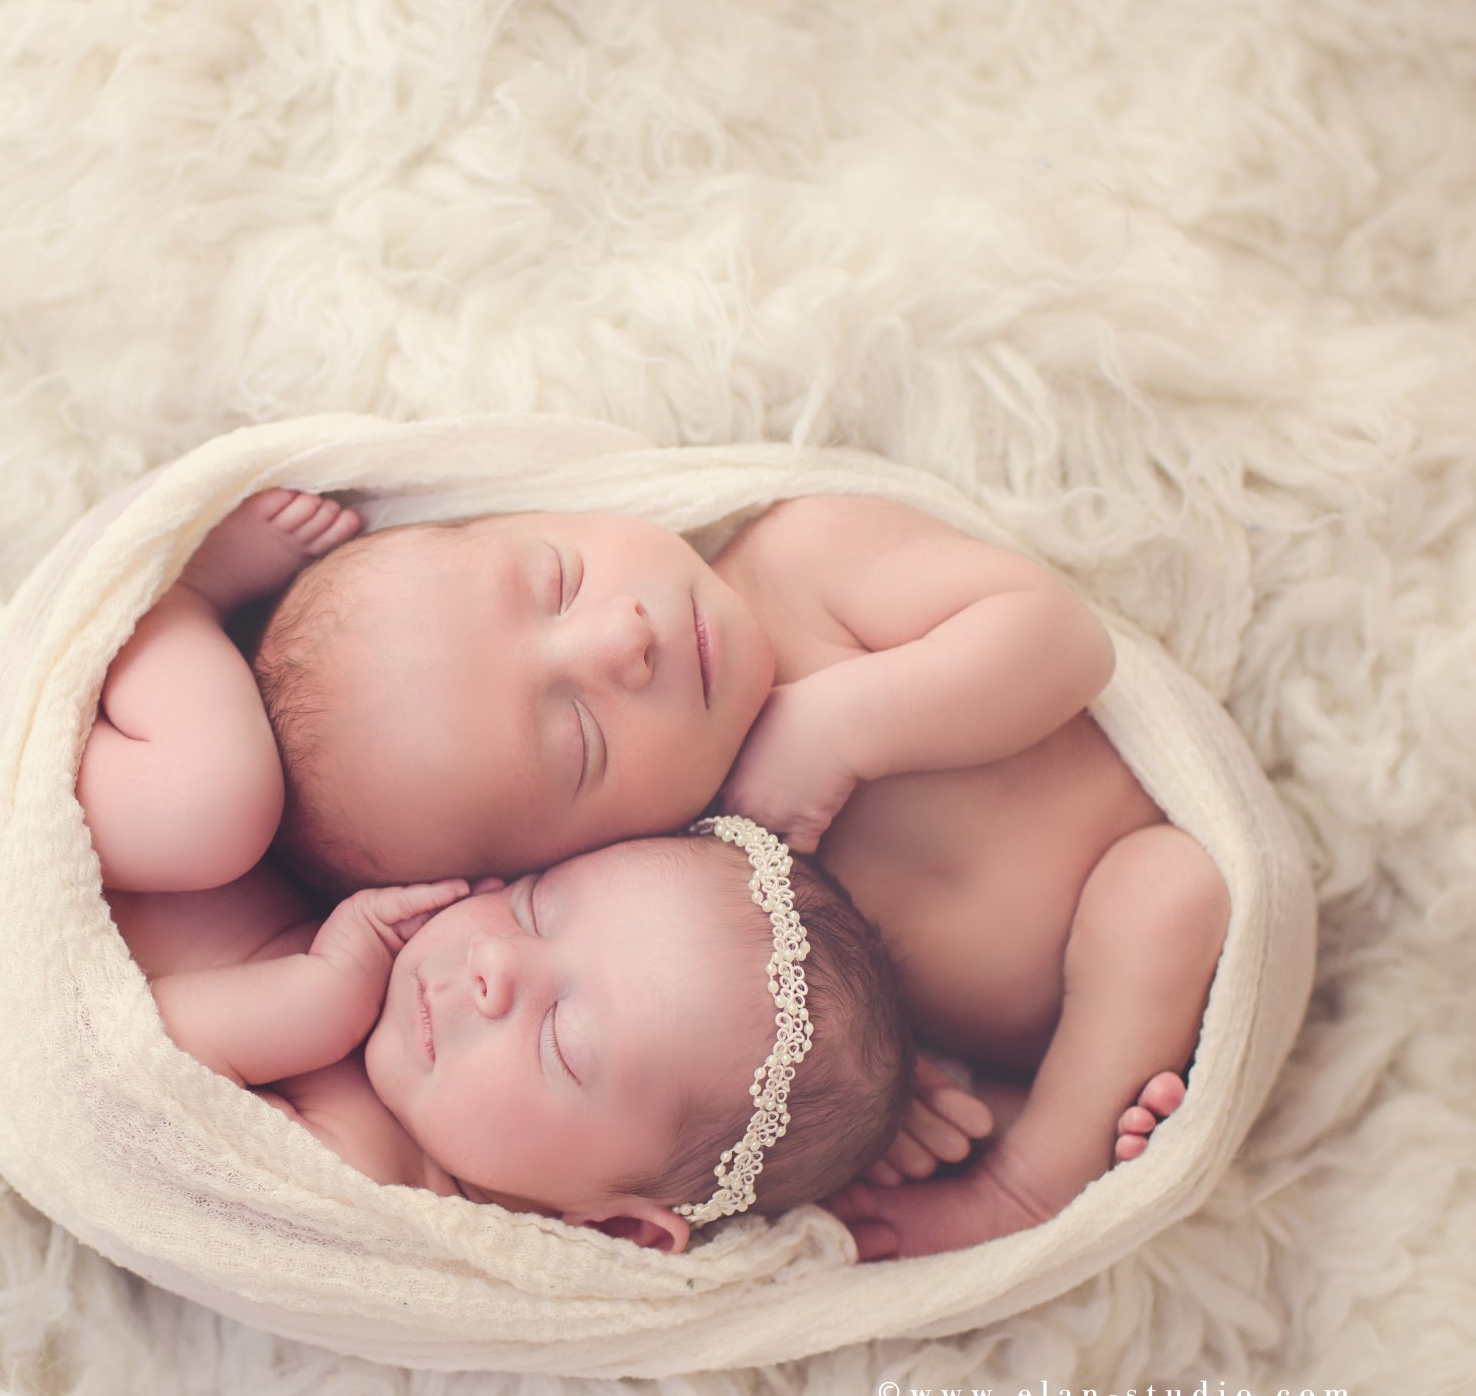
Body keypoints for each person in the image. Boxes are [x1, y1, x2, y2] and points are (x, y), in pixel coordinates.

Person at [233, 488, 1227, 1259]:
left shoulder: (802, 561)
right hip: (984, 1044)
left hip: (1132, 866)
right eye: (579, 736)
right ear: (553, 851)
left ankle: (1032, 1179)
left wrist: (845, 723)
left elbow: (1058, 637)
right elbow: (777, 1025)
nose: (620, 639)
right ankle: (1025, 1106)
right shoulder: (668, 884)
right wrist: (882, 1092)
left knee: (1162, 893)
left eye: (556, 579)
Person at [106, 815, 910, 1255]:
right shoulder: (402, 932)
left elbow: (131, 1074)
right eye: (533, 904)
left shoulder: (362, 1181)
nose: (493, 958)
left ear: (616, 1226)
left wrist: (322, 994)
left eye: (561, 1040)